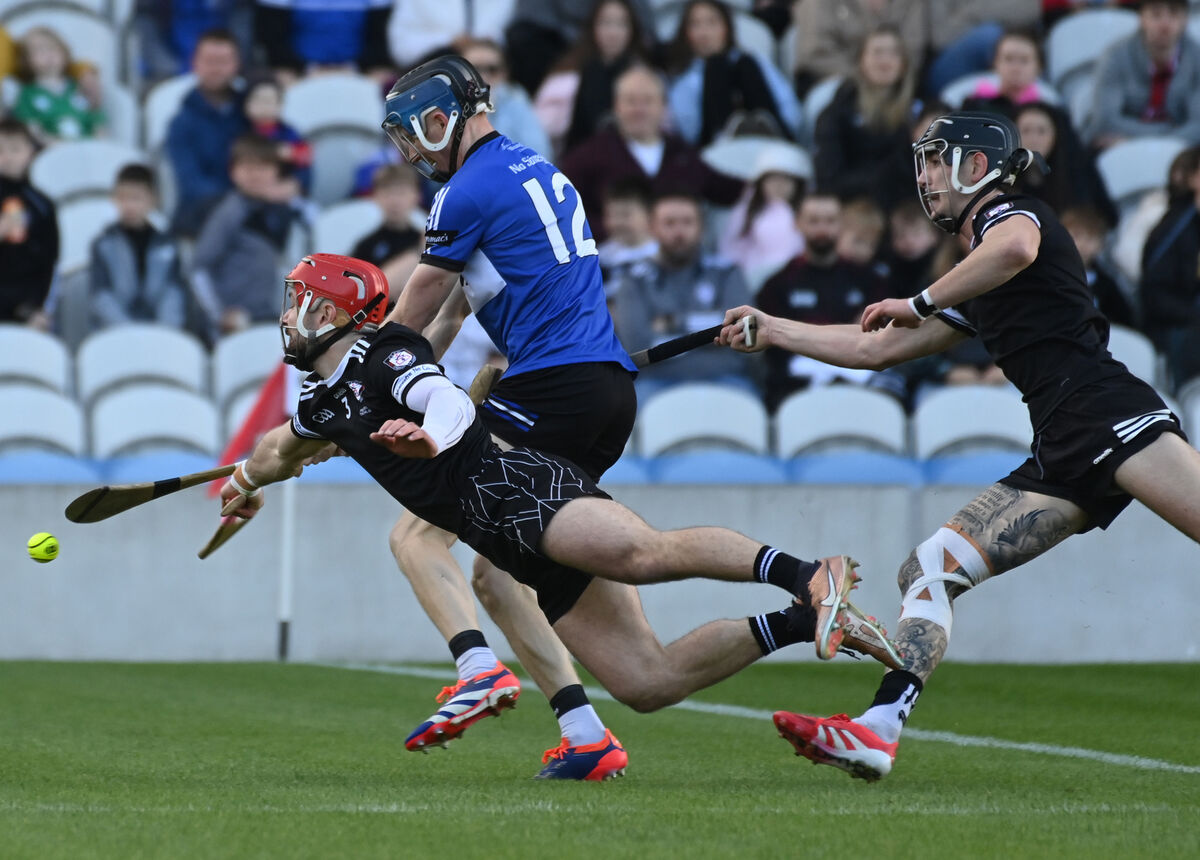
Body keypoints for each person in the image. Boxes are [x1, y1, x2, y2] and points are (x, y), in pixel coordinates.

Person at [219, 252, 900, 777]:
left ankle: (810, 572)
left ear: (333, 312)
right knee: (646, 683)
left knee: (643, 554)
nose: (285, 316)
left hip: (517, 487)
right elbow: (283, 446)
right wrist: (248, 480)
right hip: (504, 537)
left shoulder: (385, 358)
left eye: (298, 302)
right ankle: (801, 619)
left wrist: (432, 434)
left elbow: (445, 402)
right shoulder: (323, 399)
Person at [717, 110, 1200, 781]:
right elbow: (874, 349)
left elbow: (1015, 252)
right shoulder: (974, 272)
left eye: (935, 159)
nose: (923, 175)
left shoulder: (1014, 216)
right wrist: (773, 329)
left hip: (1111, 418)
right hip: (1062, 446)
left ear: (978, 164)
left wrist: (917, 298)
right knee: (930, 567)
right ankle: (877, 730)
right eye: (920, 162)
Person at [376, 54, 633, 777]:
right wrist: (384, 399)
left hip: (551, 390)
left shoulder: (466, 190)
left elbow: (410, 315)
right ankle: (587, 736)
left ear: (440, 118)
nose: (410, 153)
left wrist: (358, 399)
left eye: (410, 135)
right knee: (496, 574)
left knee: (415, 533)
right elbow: (455, 315)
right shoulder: (537, 170)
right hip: (602, 394)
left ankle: (479, 669)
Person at [559, 63, 742, 242]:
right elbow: (563, 211)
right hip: (611, 264)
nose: (639, 110)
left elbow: (728, 191)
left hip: (679, 264)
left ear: (663, 106)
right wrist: (613, 229)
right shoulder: (587, 156)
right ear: (616, 106)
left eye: (647, 101)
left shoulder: (684, 155)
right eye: (631, 101)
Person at [611, 190, 757, 396]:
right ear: (652, 227)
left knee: (749, 406)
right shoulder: (633, 280)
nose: (679, 232)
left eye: (687, 222)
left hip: (726, 379)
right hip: (655, 384)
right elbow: (638, 345)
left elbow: (745, 332)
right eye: (669, 223)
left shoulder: (727, 273)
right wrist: (714, 330)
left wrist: (672, 323)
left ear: (701, 227)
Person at [753, 192, 889, 412]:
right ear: (798, 224)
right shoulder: (777, 284)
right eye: (814, 221)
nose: (822, 229)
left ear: (842, 224)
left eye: (830, 220)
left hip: (861, 377)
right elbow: (773, 348)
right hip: (795, 386)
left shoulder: (870, 280)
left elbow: (879, 334)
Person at [191, 134, 306, 340]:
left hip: (272, 317)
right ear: (233, 171)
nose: (255, 174)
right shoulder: (230, 212)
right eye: (247, 167)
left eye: (263, 167)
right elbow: (199, 270)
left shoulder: (283, 212)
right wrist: (220, 314)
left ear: (276, 171)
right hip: (234, 325)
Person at [665, 0, 801, 146]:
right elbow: (688, 132)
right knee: (716, 65)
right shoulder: (685, 75)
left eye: (712, 23)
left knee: (745, 63)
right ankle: (724, 132)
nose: (704, 33)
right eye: (695, 24)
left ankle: (765, 126)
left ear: (727, 28)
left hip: (772, 138)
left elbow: (789, 107)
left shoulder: (752, 61)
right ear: (686, 32)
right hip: (711, 143)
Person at [813, 25, 918, 211]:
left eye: (894, 53)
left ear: (904, 64)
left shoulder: (919, 111)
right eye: (877, 52)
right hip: (850, 207)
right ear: (861, 60)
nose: (885, 60)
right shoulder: (837, 111)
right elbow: (828, 178)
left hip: (907, 211)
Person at [534, 0, 653, 157]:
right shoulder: (568, 76)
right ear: (593, 28)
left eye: (621, 24)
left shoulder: (646, 77)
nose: (613, 32)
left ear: (632, 30)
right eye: (606, 23)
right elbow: (548, 129)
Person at [1085, 0, 1200, 150]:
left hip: (1177, 147)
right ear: (1142, 18)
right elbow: (1105, 120)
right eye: (1156, 14)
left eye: (1173, 13)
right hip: (1119, 148)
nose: (1165, 24)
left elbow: (1198, 124)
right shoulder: (1115, 56)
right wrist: (1167, 132)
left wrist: (1143, 140)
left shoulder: (1196, 58)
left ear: (1185, 19)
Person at [165, 29, 247, 236]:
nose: (216, 69)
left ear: (236, 65)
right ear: (195, 63)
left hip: (254, 211)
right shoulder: (181, 122)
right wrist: (237, 205)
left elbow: (284, 145)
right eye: (210, 61)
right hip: (201, 217)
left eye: (223, 61)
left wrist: (292, 184)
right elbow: (190, 183)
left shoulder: (251, 112)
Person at [88, 164, 189, 330]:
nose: (129, 206)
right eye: (123, 198)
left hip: (160, 334)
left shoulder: (168, 245)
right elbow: (101, 297)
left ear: (153, 200)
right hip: (115, 334)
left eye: (136, 198)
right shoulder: (102, 244)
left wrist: (165, 333)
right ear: (114, 199)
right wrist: (128, 331)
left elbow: (173, 294)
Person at [717, 142, 807, 287]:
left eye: (786, 179)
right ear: (761, 183)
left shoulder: (806, 211)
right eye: (772, 179)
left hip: (797, 281)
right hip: (754, 282)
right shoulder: (746, 212)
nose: (779, 185)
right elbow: (731, 251)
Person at [0, 118, 57, 325]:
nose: (7, 158)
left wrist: (40, 309)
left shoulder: (42, 205)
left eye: (15, 149)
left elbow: (51, 262)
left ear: (30, 152)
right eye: (1, 151)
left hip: (27, 308)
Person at [458, 38, 551, 157]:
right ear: (459, 72)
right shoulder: (449, 104)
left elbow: (541, 153)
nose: (483, 76)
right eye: (474, 69)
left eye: (492, 69)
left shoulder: (515, 99)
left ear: (504, 73)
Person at [11, 26, 105, 143]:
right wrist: (53, 145)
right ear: (26, 60)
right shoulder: (26, 94)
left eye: (53, 48)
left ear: (64, 52)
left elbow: (97, 121)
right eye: (39, 50)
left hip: (88, 149)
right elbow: (31, 131)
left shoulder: (80, 87)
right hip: (51, 153)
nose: (48, 55)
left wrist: (98, 143)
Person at [350, 164, 424, 288]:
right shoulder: (366, 246)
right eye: (387, 193)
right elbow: (370, 291)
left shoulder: (426, 241)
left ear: (416, 197)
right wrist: (420, 252)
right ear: (375, 196)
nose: (394, 201)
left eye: (401, 193)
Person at [243, 76, 312, 194]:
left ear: (281, 105)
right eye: (258, 100)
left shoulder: (290, 133)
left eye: (270, 101)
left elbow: (305, 160)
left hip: (283, 190)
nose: (264, 107)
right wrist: (273, 152)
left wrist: (294, 183)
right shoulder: (241, 132)